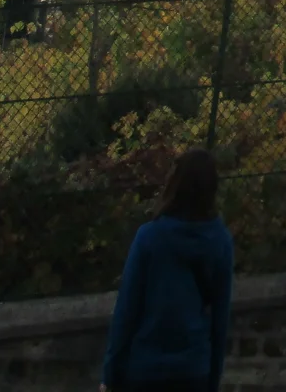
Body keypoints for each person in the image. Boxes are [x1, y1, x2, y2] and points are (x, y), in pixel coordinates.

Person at [100, 147, 234, 392]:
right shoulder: (220, 241)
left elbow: (127, 310)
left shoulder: (149, 237)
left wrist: (111, 373)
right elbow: (220, 318)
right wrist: (212, 375)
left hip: (146, 368)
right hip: (193, 369)